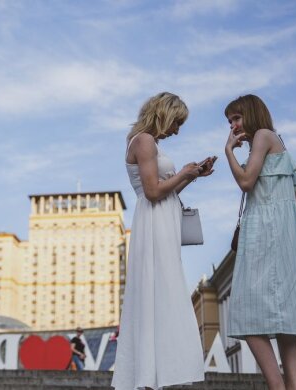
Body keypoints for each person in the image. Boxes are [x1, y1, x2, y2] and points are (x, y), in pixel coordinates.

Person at [112, 92, 213, 390]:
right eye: (176, 122)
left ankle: (156, 376)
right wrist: (183, 171)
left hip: (161, 225)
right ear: (163, 114)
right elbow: (153, 191)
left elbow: (163, 189)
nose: (177, 131)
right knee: (158, 294)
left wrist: (192, 175)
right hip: (154, 224)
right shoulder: (143, 141)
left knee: (162, 295)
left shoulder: (147, 142)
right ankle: (149, 379)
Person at [224, 94, 296, 390]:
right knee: (285, 316)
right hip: (280, 233)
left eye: (236, 118)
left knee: (244, 310)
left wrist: (228, 151)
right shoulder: (271, 141)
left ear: (251, 114)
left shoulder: (264, 136)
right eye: (229, 122)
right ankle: (292, 386)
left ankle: (277, 387)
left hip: (265, 232)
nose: (233, 126)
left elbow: (245, 182)